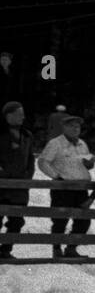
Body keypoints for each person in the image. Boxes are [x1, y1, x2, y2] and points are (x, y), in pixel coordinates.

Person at [37, 114, 95, 258]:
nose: (76, 129)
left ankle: (71, 247)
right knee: (60, 220)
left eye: (78, 126)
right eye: (72, 126)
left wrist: (89, 164)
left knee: (83, 221)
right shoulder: (55, 143)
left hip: (80, 188)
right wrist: (56, 176)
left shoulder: (82, 144)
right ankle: (56, 249)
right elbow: (43, 162)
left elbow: (83, 164)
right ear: (64, 127)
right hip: (62, 188)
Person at [0, 101, 36, 259]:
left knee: (16, 221)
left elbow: (30, 159)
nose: (23, 117)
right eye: (19, 114)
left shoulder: (27, 135)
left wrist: (28, 176)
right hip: (2, 185)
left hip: (20, 187)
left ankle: (5, 250)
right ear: (9, 115)